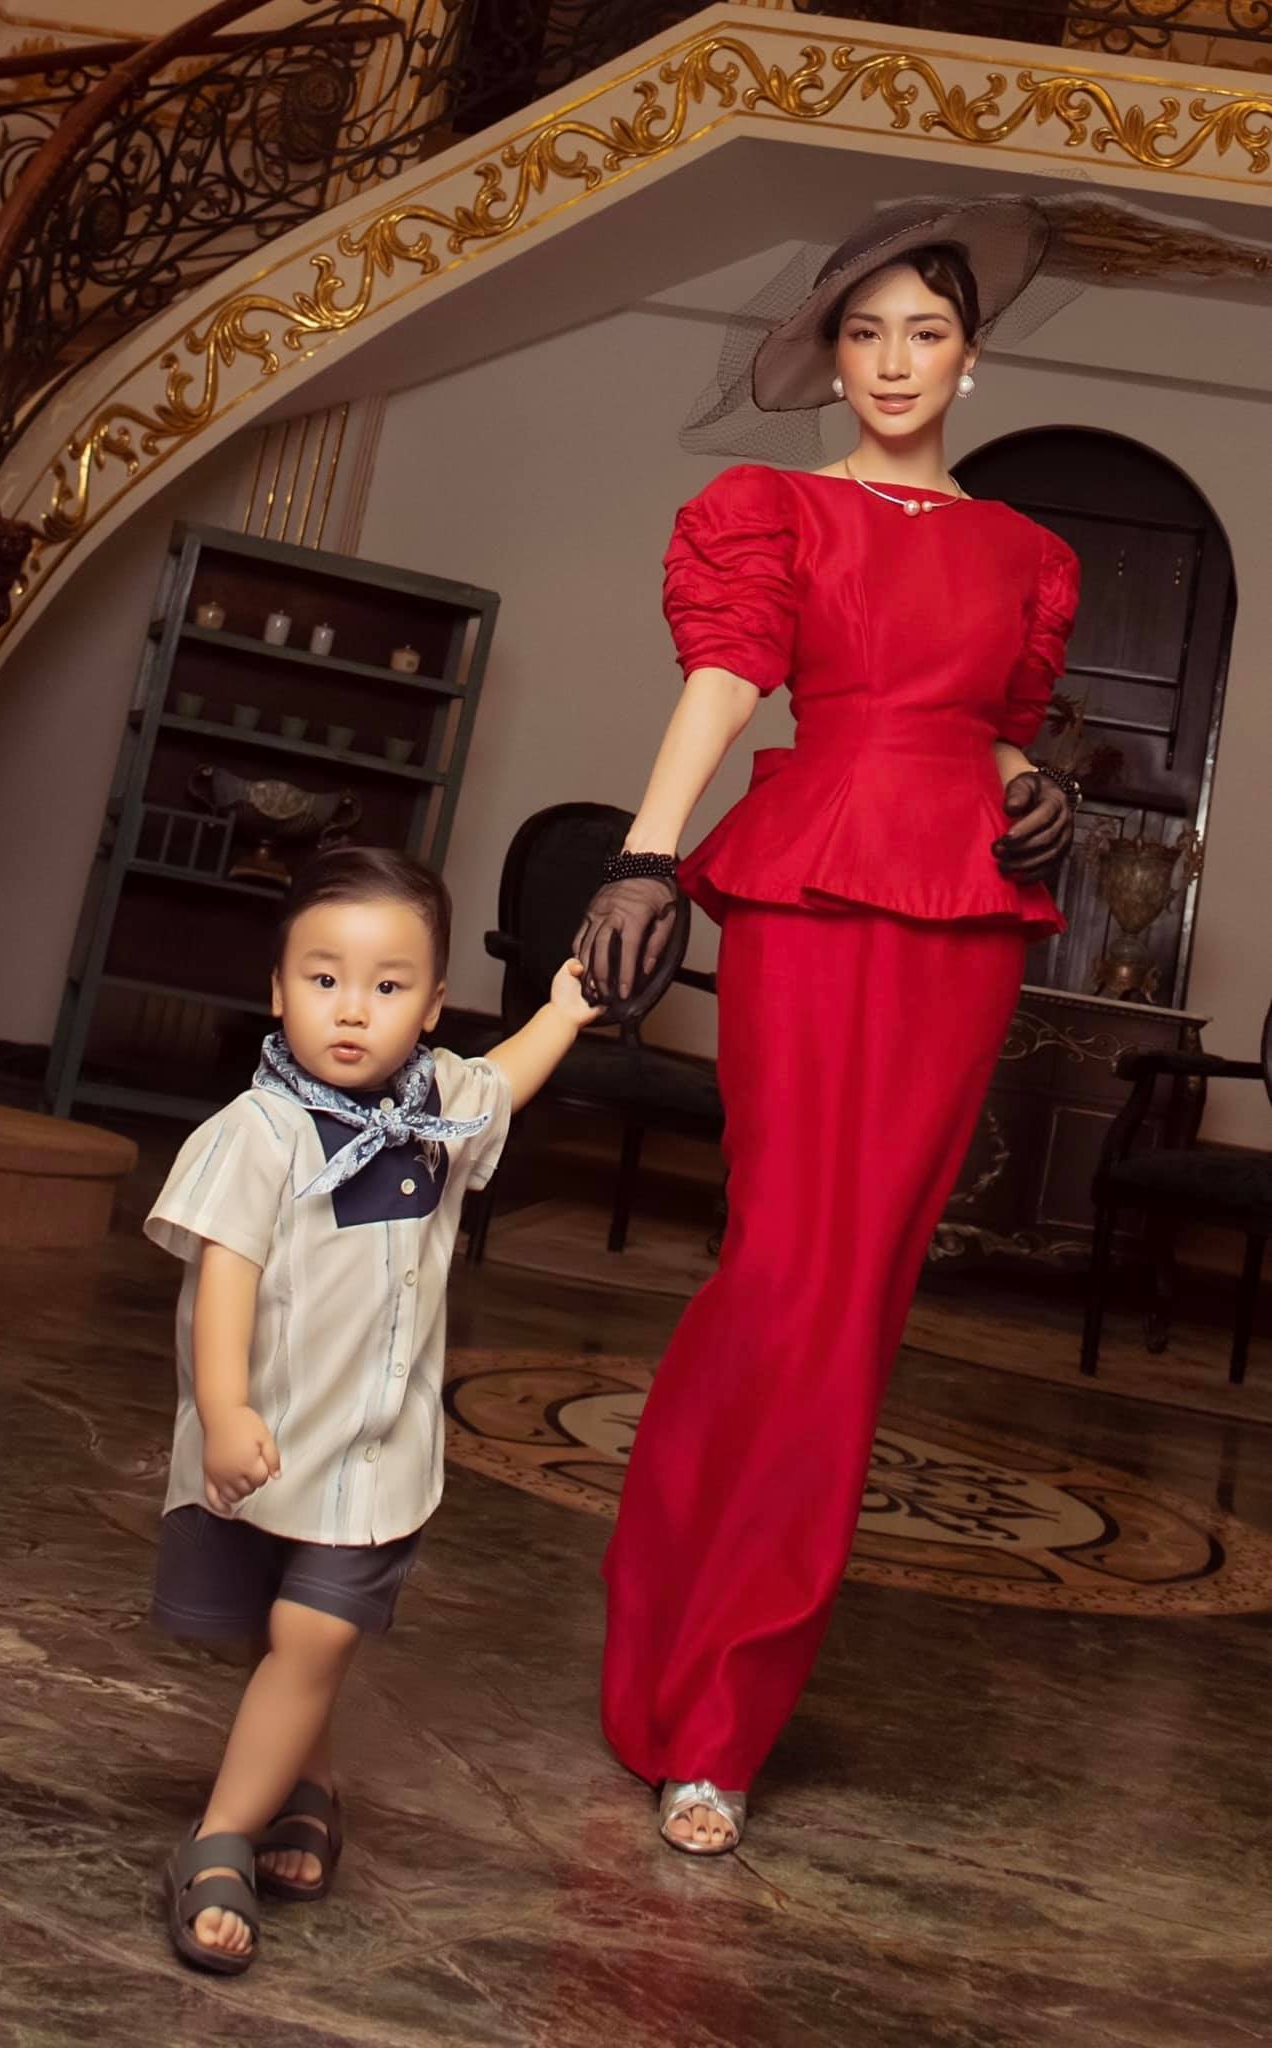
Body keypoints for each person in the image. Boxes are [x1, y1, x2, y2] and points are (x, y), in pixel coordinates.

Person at [575, 195, 1083, 1855]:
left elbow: (994, 728)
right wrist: (646, 854)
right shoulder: (774, 509)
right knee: (782, 1273)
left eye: (922, 332)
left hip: (964, 923)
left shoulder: (1026, 555)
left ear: (970, 354)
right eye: (862, 334)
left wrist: (1038, 792)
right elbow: (726, 683)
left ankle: (722, 1721)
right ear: (831, 356)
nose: (892, 361)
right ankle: (665, 1637)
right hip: (807, 893)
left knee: (858, 1300)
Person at [147, 844, 601, 1972]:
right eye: (324, 978)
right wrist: (224, 1408)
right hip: (266, 1440)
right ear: (278, 988)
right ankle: (305, 1785)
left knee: (314, 1634)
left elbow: (504, 1075)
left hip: (377, 1456)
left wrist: (565, 1008)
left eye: (388, 985)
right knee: (271, 1638)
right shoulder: (255, 1133)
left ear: (432, 1004)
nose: (353, 1008)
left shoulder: (438, 1105)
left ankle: (217, 1838)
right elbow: (226, 1281)